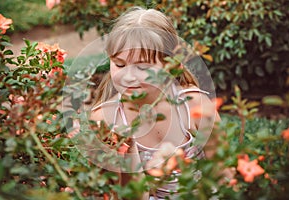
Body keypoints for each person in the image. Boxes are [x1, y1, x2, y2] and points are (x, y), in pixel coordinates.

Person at [89, 6, 221, 200]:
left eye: (142, 66)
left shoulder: (194, 105)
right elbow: (122, 195)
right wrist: (127, 152)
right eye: (119, 64)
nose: (128, 76)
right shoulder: (105, 119)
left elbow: (224, 173)